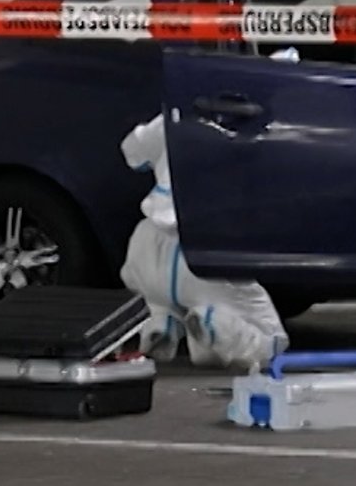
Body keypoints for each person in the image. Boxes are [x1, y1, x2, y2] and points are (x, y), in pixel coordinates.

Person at [117, 113, 288, 371]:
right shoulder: (258, 119)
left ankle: (161, 324)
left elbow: (134, 153)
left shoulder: (175, 114)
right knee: (273, 341)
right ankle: (211, 323)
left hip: (149, 244)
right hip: (205, 250)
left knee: (160, 298)